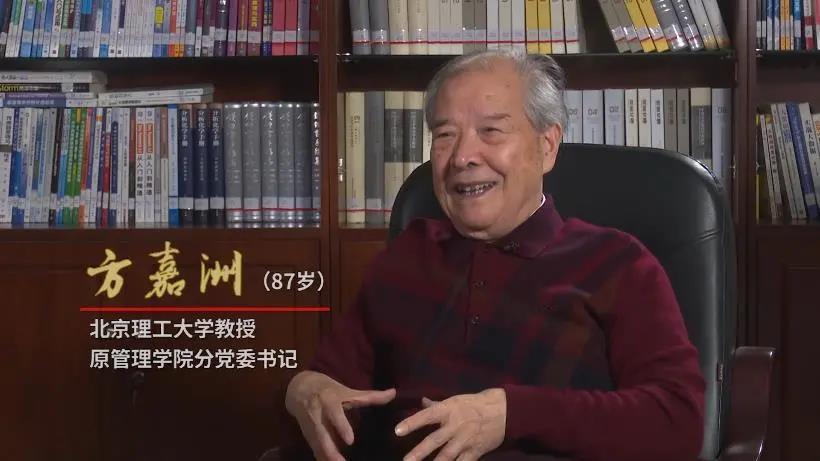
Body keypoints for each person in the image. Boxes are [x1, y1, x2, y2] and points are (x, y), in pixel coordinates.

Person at [283, 49, 705, 461]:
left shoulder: (618, 263)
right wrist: (303, 390)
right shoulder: (408, 255)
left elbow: (678, 422)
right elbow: (332, 388)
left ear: (547, 145)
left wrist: (512, 414)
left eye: (491, 131)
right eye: (445, 135)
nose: (462, 157)